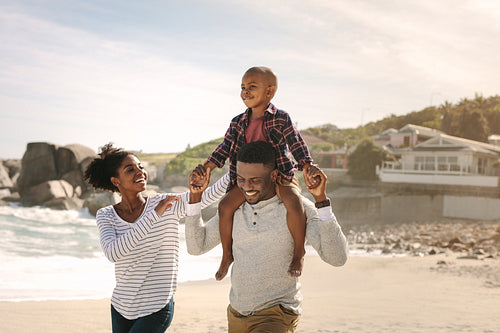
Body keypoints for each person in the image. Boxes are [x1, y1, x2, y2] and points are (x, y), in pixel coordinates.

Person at [186, 141, 348, 332]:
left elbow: (337, 258)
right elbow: (197, 247)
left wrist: (321, 200)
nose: (247, 187)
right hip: (237, 313)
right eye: (241, 179)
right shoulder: (234, 209)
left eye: (254, 180)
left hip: (277, 313)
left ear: (273, 175)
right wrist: (196, 197)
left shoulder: (297, 209)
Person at [84, 143, 229, 333]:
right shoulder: (106, 215)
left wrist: (238, 169)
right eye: (130, 170)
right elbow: (114, 253)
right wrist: (155, 214)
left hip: (156, 307)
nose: (140, 172)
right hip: (121, 307)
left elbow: (206, 196)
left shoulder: (166, 203)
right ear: (116, 181)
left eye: (141, 167)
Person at [198, 66, 316, 280]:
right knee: (224, 206)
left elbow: (295, 143)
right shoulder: (237, 122)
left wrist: (306, 165)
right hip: (246, 180)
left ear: (269, 92)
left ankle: (298, 252)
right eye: (242, 87)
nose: (245, 92)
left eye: (252, 87)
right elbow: (224, 147)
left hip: (277, 175)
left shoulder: (280, 118)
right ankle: (227, 255)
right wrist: (208, 166)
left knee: (293, 201)